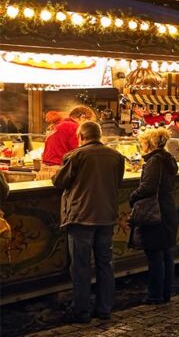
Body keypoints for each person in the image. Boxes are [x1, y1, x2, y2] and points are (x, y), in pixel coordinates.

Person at [52, 120, 126, 323]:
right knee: (105, 264)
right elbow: (118, 182)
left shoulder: (76, 156)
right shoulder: (117, 156)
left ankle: (81, 311)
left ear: (81, 137)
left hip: (81, 217)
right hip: (107, 216)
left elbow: (59, 181)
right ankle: (104, 308)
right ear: (99, 135)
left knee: (81, 266)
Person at [130, 127, 178, 304]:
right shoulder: (167, 159)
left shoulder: (155, 161)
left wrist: (133, 197)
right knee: (165, 252)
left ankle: (155, 294)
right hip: (166, 209)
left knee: (155, 254)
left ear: (148, 143)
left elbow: (148, 187)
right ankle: (165, 293)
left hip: (155, 211)